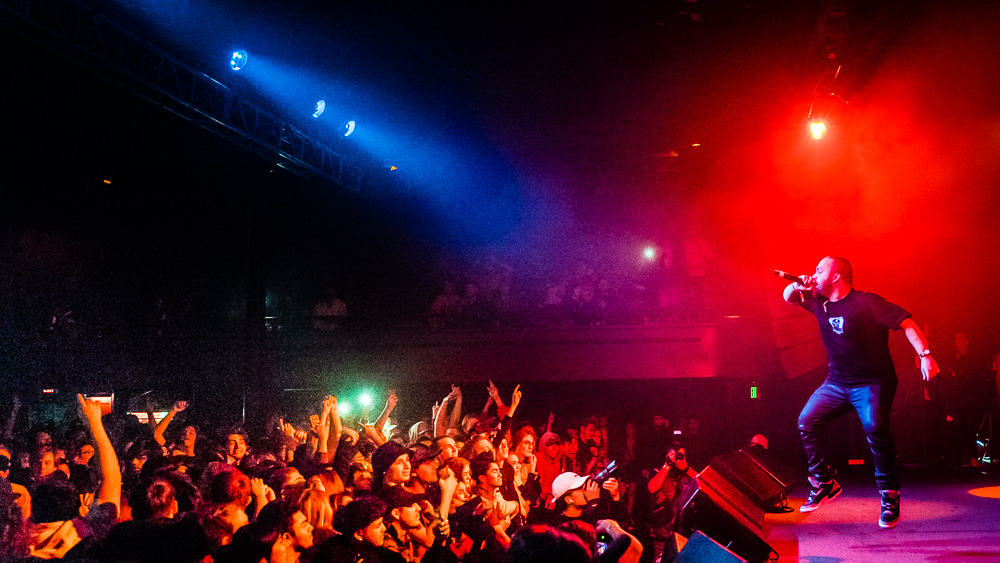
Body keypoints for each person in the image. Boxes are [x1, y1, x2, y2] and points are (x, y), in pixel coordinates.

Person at [784, 256, 939, 528]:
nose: (814, 273)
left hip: (873, 382)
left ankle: (889, 495)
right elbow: (787, 296)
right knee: (806, 421)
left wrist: (925, 355)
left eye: (820, 270)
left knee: (875, 428)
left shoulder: (866, 302)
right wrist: (799, 284)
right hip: (837, 382)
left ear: (836, 277)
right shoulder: (819, 301)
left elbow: (906, 323)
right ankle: (823, 483)